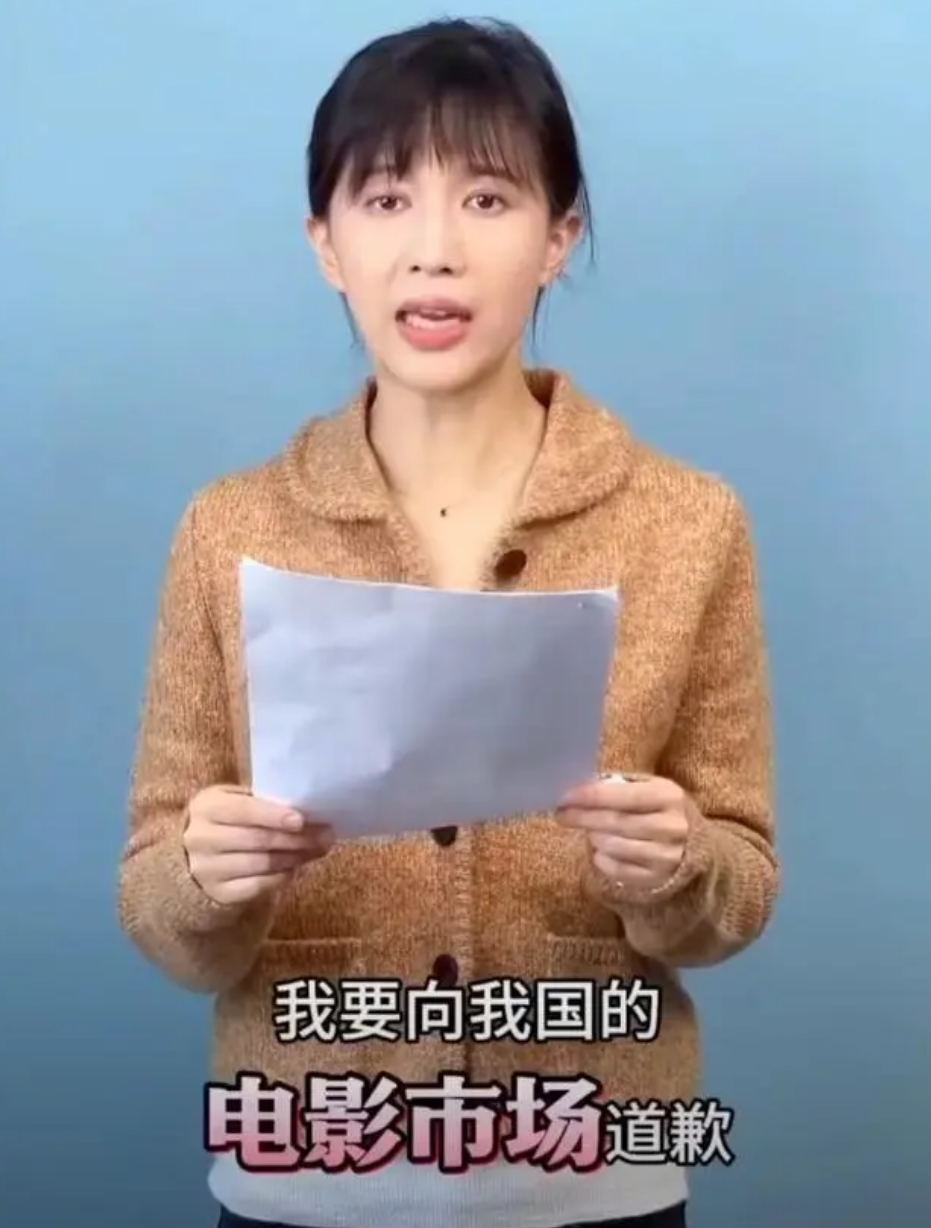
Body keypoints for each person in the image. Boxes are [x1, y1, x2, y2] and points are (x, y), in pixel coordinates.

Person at [118, 17, 778, 1228]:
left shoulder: (690, 522)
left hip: (596, 1175)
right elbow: (162, 912)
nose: (433, 251)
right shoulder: (230, 527)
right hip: (303, 1171)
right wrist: (203, 880)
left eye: (485, 198)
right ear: (325, 243)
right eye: (384, 200)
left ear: (557, 237)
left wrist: (677, 864)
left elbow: (736, 890)